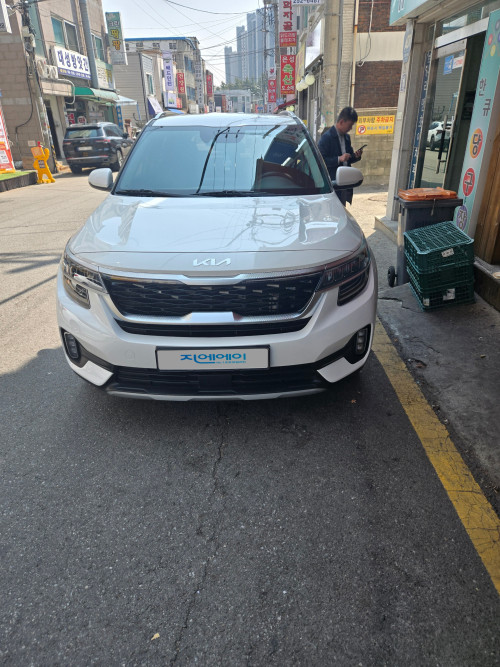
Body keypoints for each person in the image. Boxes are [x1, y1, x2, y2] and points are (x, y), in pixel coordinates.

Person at [318, 107, 363, 206]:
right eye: (350, 125)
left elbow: (348, 159)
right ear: (342, 122)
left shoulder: (347, 138)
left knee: (342, 208)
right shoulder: (326, 138)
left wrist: (355, 156)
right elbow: (320, 161)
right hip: (332, 184)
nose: (350, 128)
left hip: (345, 184)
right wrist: (339, 159)